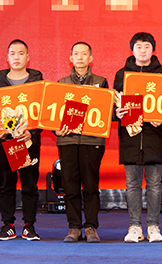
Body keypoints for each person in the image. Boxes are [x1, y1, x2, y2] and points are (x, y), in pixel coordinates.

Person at [113, 32, 162, 243]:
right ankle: (134, 226)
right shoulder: (122, 74)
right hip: (130, 137)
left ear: (153, 49)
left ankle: (154, 226)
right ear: (132, 50)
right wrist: (116, 113)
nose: (143, 50)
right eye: (139, 46)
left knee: (155, 184)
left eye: (147, 46)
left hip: (155, 137)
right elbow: (114, 105)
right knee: (132, 184)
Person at [0, 39, 43, 241]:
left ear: (28, 57)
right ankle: (7, 226)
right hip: (5, 144)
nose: (16, 57)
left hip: (28, 143)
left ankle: (29, 226)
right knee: (6, 186)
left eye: (21, 53)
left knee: (30, 186)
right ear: (7, 57)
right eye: (13, 53)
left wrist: (32, 133)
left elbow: (44, 113)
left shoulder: (38, 83)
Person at [55, 42, 109, 243]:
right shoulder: (61, 83)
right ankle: (74, 227)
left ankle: (91, 227)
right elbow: (53, 112)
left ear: (90, 58)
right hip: (67, 140)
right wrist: (55, 129)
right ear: (70, 58)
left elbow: (106, 111)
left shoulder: (101, 82)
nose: (80, 57)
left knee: (90, 185)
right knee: (70, 185)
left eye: (84, 54)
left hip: (92, 140)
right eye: (76, 54)